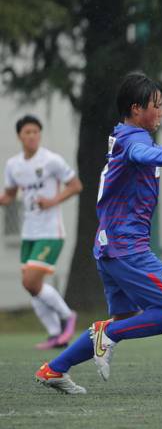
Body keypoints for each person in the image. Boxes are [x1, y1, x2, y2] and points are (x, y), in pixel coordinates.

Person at [34, 72, 162, 394]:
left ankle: (54, 368)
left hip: (109, 249)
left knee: (123, 320)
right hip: (127, 250)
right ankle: (108, 335)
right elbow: (143, 154)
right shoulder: (135, 141)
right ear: (137, 109)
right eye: (156, 105)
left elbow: (144, 152)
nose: (161, 112)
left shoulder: (124, 136)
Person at [0, 115, 82, 349]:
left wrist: (53, 200)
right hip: (29, 232)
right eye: (28, 132)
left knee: (31, 281)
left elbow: (76, 185)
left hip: (51, 232)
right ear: (19, 136)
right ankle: (55, 334)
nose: (32, 136)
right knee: (30, 286)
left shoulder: (51, 161)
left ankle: (67, 316)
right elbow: (9, 195)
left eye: (36, 131)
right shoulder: (13, 165)